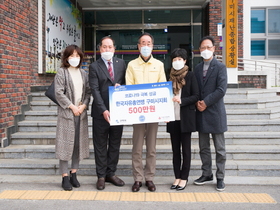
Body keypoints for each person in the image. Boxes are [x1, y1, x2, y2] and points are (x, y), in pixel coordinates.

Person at [125, 32, 167, 192]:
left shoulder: (159, 65)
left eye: (148, 43)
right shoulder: (131, 65)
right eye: (143, 43)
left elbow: (162, 87)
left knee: (151, 148)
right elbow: (128, 87)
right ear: (138, 46)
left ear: (152, 46)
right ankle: (137, 179)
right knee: (136, 148)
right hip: (137, 112)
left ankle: (149, 177)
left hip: (153, 113)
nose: (145, 46)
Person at [89, 36, 126, 190]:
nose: (107, 50)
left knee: (115, 145)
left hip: (118, 112)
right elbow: (95, 90)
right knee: (100, 145)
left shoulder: (121, 63)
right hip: (100, 113)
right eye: (104, 47)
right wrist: (103, 109)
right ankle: (101, 176)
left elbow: (127, 83)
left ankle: (111, 173)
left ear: (114, 49)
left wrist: (122, 86)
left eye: (110, 47)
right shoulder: (94, 66)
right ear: (100, 49)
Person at [55, 44, 91, 191]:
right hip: (67, 114)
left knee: (77, 145)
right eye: (72, 56)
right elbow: (58, 93)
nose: (75, 58)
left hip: (80, 114)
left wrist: (83, 106)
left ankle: (74, 173)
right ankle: (64, 176)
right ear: (66, 58)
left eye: (77, 56)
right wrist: (72, 106)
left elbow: (88, 92)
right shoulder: (61, 72)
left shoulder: (84, 74)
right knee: (65, 145)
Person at [193, 36, 227, 191]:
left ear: (214, 48)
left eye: (208, 47)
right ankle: (206, 173)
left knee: (219, 149)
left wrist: (205, 102)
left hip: (215, 112)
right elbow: (195, 89)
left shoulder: (220, 67)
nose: (205, 50)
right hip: (201, 113)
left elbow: (221, 90)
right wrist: (197, 102)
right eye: (202, 48)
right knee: (203, 147)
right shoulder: (198, 68)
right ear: (199, 50)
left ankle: (220, 177)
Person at [166, 48, 199, 191]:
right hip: (172, 117)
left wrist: (182, 100)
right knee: (175, 150)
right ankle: (177, 176)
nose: (177, 62)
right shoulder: (169, 76)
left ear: (185, 61)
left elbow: (196, 96)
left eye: (180, 59)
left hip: (186, 118)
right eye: (174, 59)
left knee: (185, 150)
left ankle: (184, 178)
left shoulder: (190, 75)